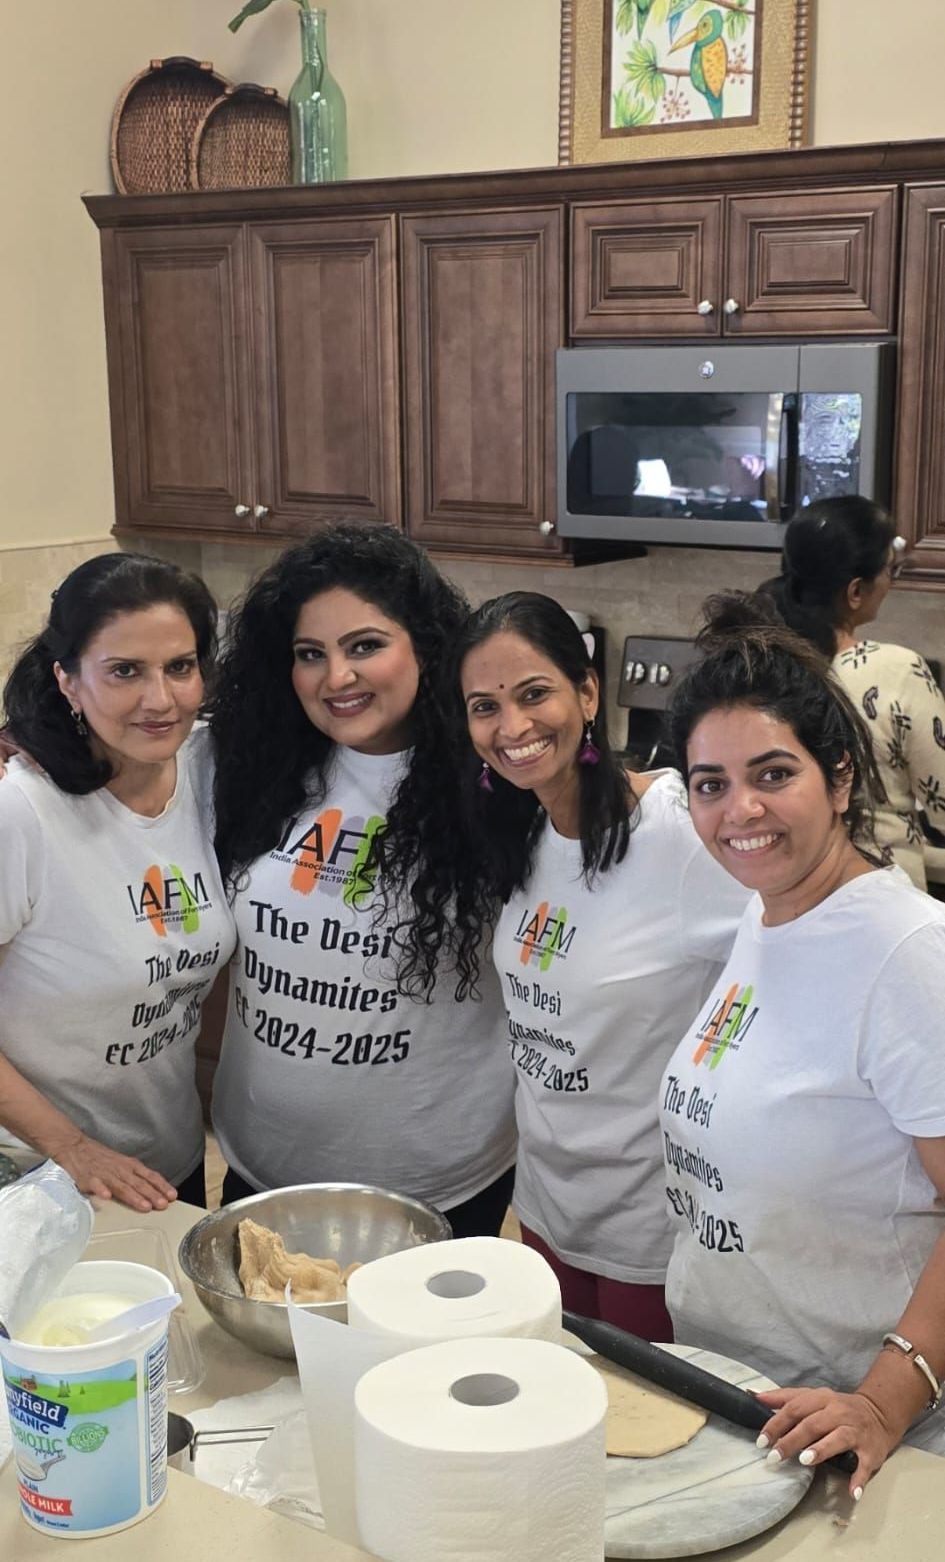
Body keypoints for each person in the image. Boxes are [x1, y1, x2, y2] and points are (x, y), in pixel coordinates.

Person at [662, 592, 945, 1497]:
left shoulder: (907, 955)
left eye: (772, 774)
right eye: (709, 784)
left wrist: (884, 1399)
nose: (739, 808)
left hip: (857, 1435)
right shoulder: (767, 912)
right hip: (739, 1400)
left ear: (840, 779)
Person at [208, 524, 516, 1238]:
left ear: (426, 648)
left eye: (365, 646)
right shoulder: (246, 766)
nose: (335, 677)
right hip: (260, 1172)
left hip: (435, 1187)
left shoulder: (496, 781)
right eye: (309, 654)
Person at [456, 592, 747, 1338]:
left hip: (654, 1224)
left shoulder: (681, 830)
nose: (511, 727)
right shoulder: (518, 830)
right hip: (548, 1206)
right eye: (484, 706)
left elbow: (807, 946)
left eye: (533, 694)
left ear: (587, 693)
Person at [0, 553, 236, 1212]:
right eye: (124, 671)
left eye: (180, 667)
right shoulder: (22, 813)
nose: (159, 699)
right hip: (36, 1176)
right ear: (69, 681)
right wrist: (73, 1149)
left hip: (166, 1160)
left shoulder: (207, 766)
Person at [762, 495, 945, 888]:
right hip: (881, 901)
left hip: (787, 895)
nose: (890, 583)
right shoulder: (895, 670)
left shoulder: (765, 666)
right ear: (856, 591)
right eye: (889, 571)